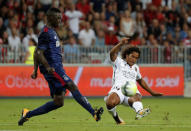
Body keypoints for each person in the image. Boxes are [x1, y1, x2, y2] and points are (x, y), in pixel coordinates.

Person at [18, 8, 103, 126]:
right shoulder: (45, 32)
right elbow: (38, 53)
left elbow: (36, 51)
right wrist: (47, 67)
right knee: (71, 85)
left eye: (60, 18)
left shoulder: (51, 32)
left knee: (58, 102)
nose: (60, 20)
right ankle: (93, 112)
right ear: (49, 18)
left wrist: (35, 69)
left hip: (56, 68)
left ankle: (27, 114)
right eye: (57, 18)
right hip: (53, 69)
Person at [105, 38, 163, 125]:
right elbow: (112, 53)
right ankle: (116, 117)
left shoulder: (136, 67)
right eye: (132, 56)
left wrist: (152, 92)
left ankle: (140, 111)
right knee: (109, 103)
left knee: (136, 95)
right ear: (127, 55)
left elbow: (140, 80)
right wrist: (120, 43)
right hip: (118, 90)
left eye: (136, 58)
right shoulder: (118, 62)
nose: (134, 59)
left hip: (131, 91)